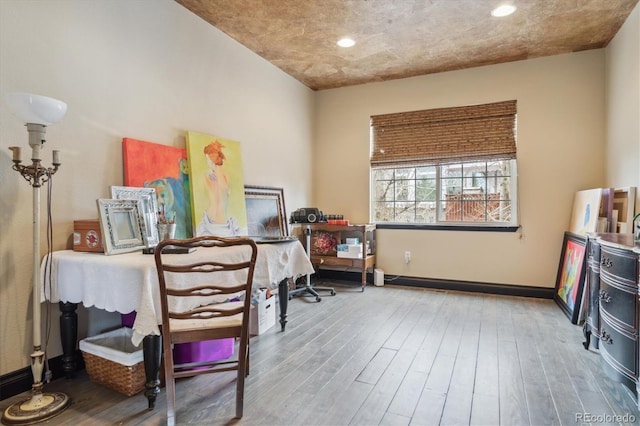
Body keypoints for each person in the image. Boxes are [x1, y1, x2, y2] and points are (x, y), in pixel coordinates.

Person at [195, 140, 240, 236]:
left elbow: (223, 193)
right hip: (213, 219)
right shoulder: (210, 175)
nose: (207, 161)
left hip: (219, 221)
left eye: (207, 158)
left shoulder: (221, 176)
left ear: (212, 158)